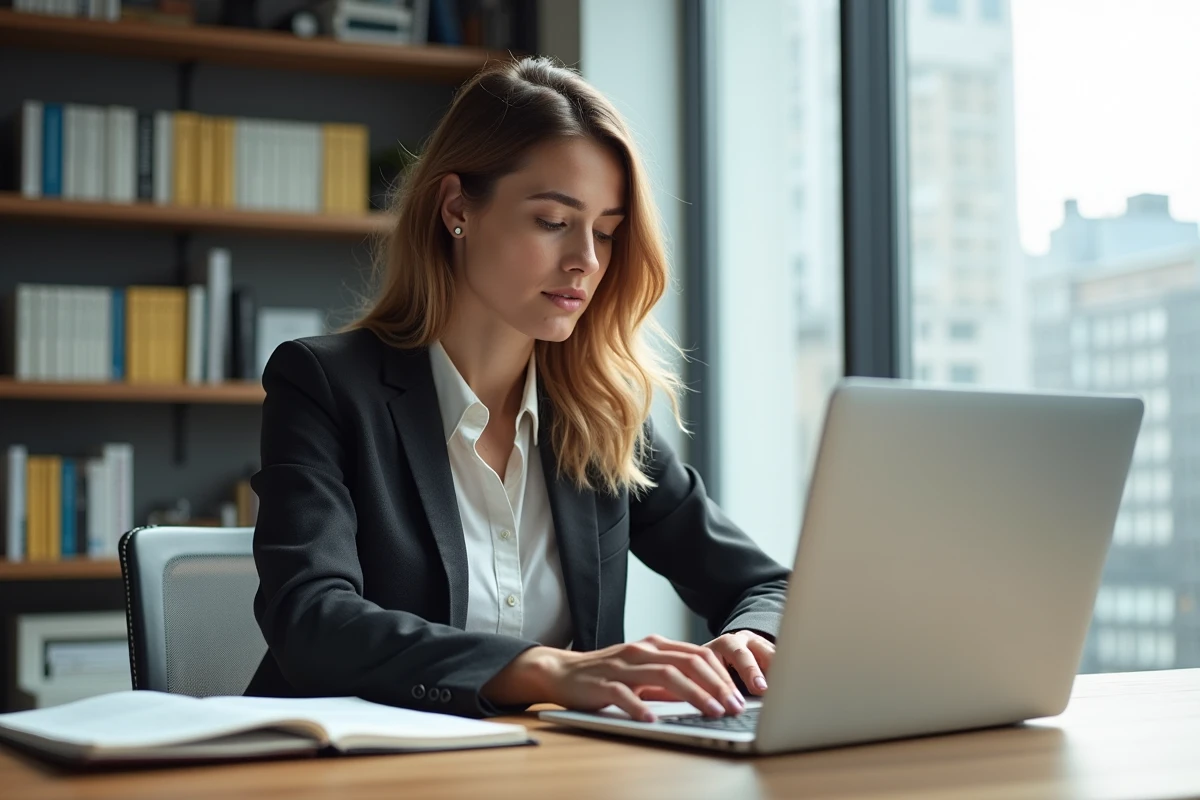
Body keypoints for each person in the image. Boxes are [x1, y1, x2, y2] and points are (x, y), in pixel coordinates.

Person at [245, 56, 790, 724]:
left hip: (550, 774)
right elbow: (312, 621)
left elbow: (770, 586)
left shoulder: (600, 415)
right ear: (456, 210)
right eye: (553, 221)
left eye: (608, 233)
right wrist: (546, 669)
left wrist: (750, 641)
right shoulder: (326, 386)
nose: (586, 260)